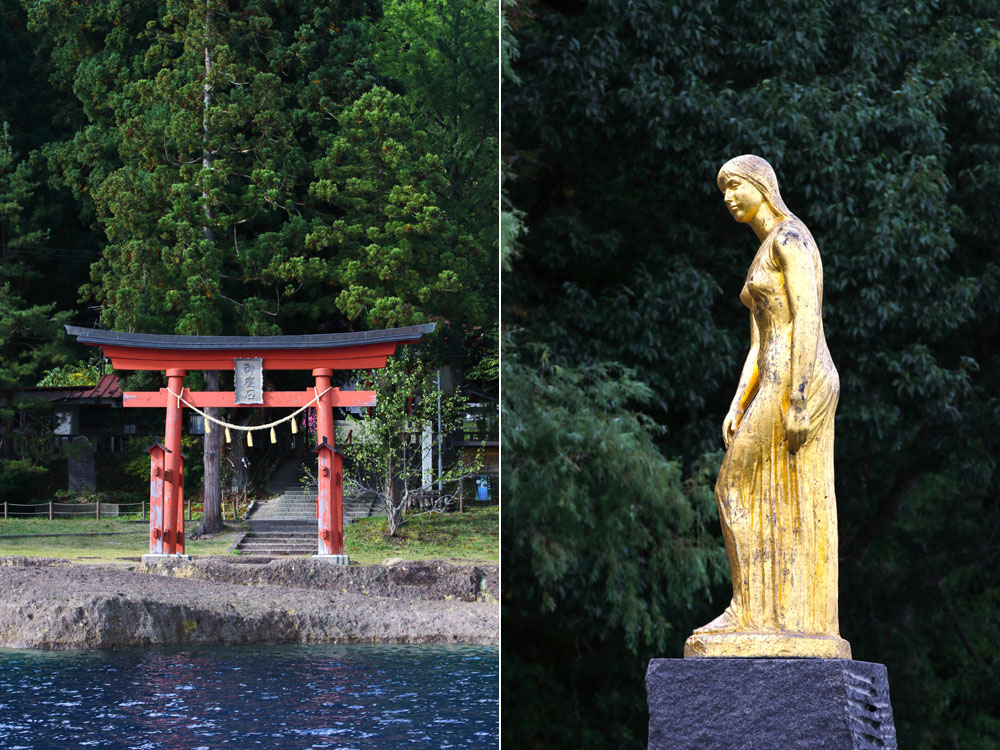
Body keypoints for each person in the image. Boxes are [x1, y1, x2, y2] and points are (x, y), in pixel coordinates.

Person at [684, 154, 851, 658]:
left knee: (733, 485)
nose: (729, 197)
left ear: (761, 185)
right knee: (754, 492)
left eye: (736, 186)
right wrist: (739, 401)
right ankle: (764, 610)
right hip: (773, 375)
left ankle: (754, 609)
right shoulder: (761, 253)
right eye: (723, 191)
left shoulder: (791, 239)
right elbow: (757, 343)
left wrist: (798, 396)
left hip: (799, 375)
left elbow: (808, 318)